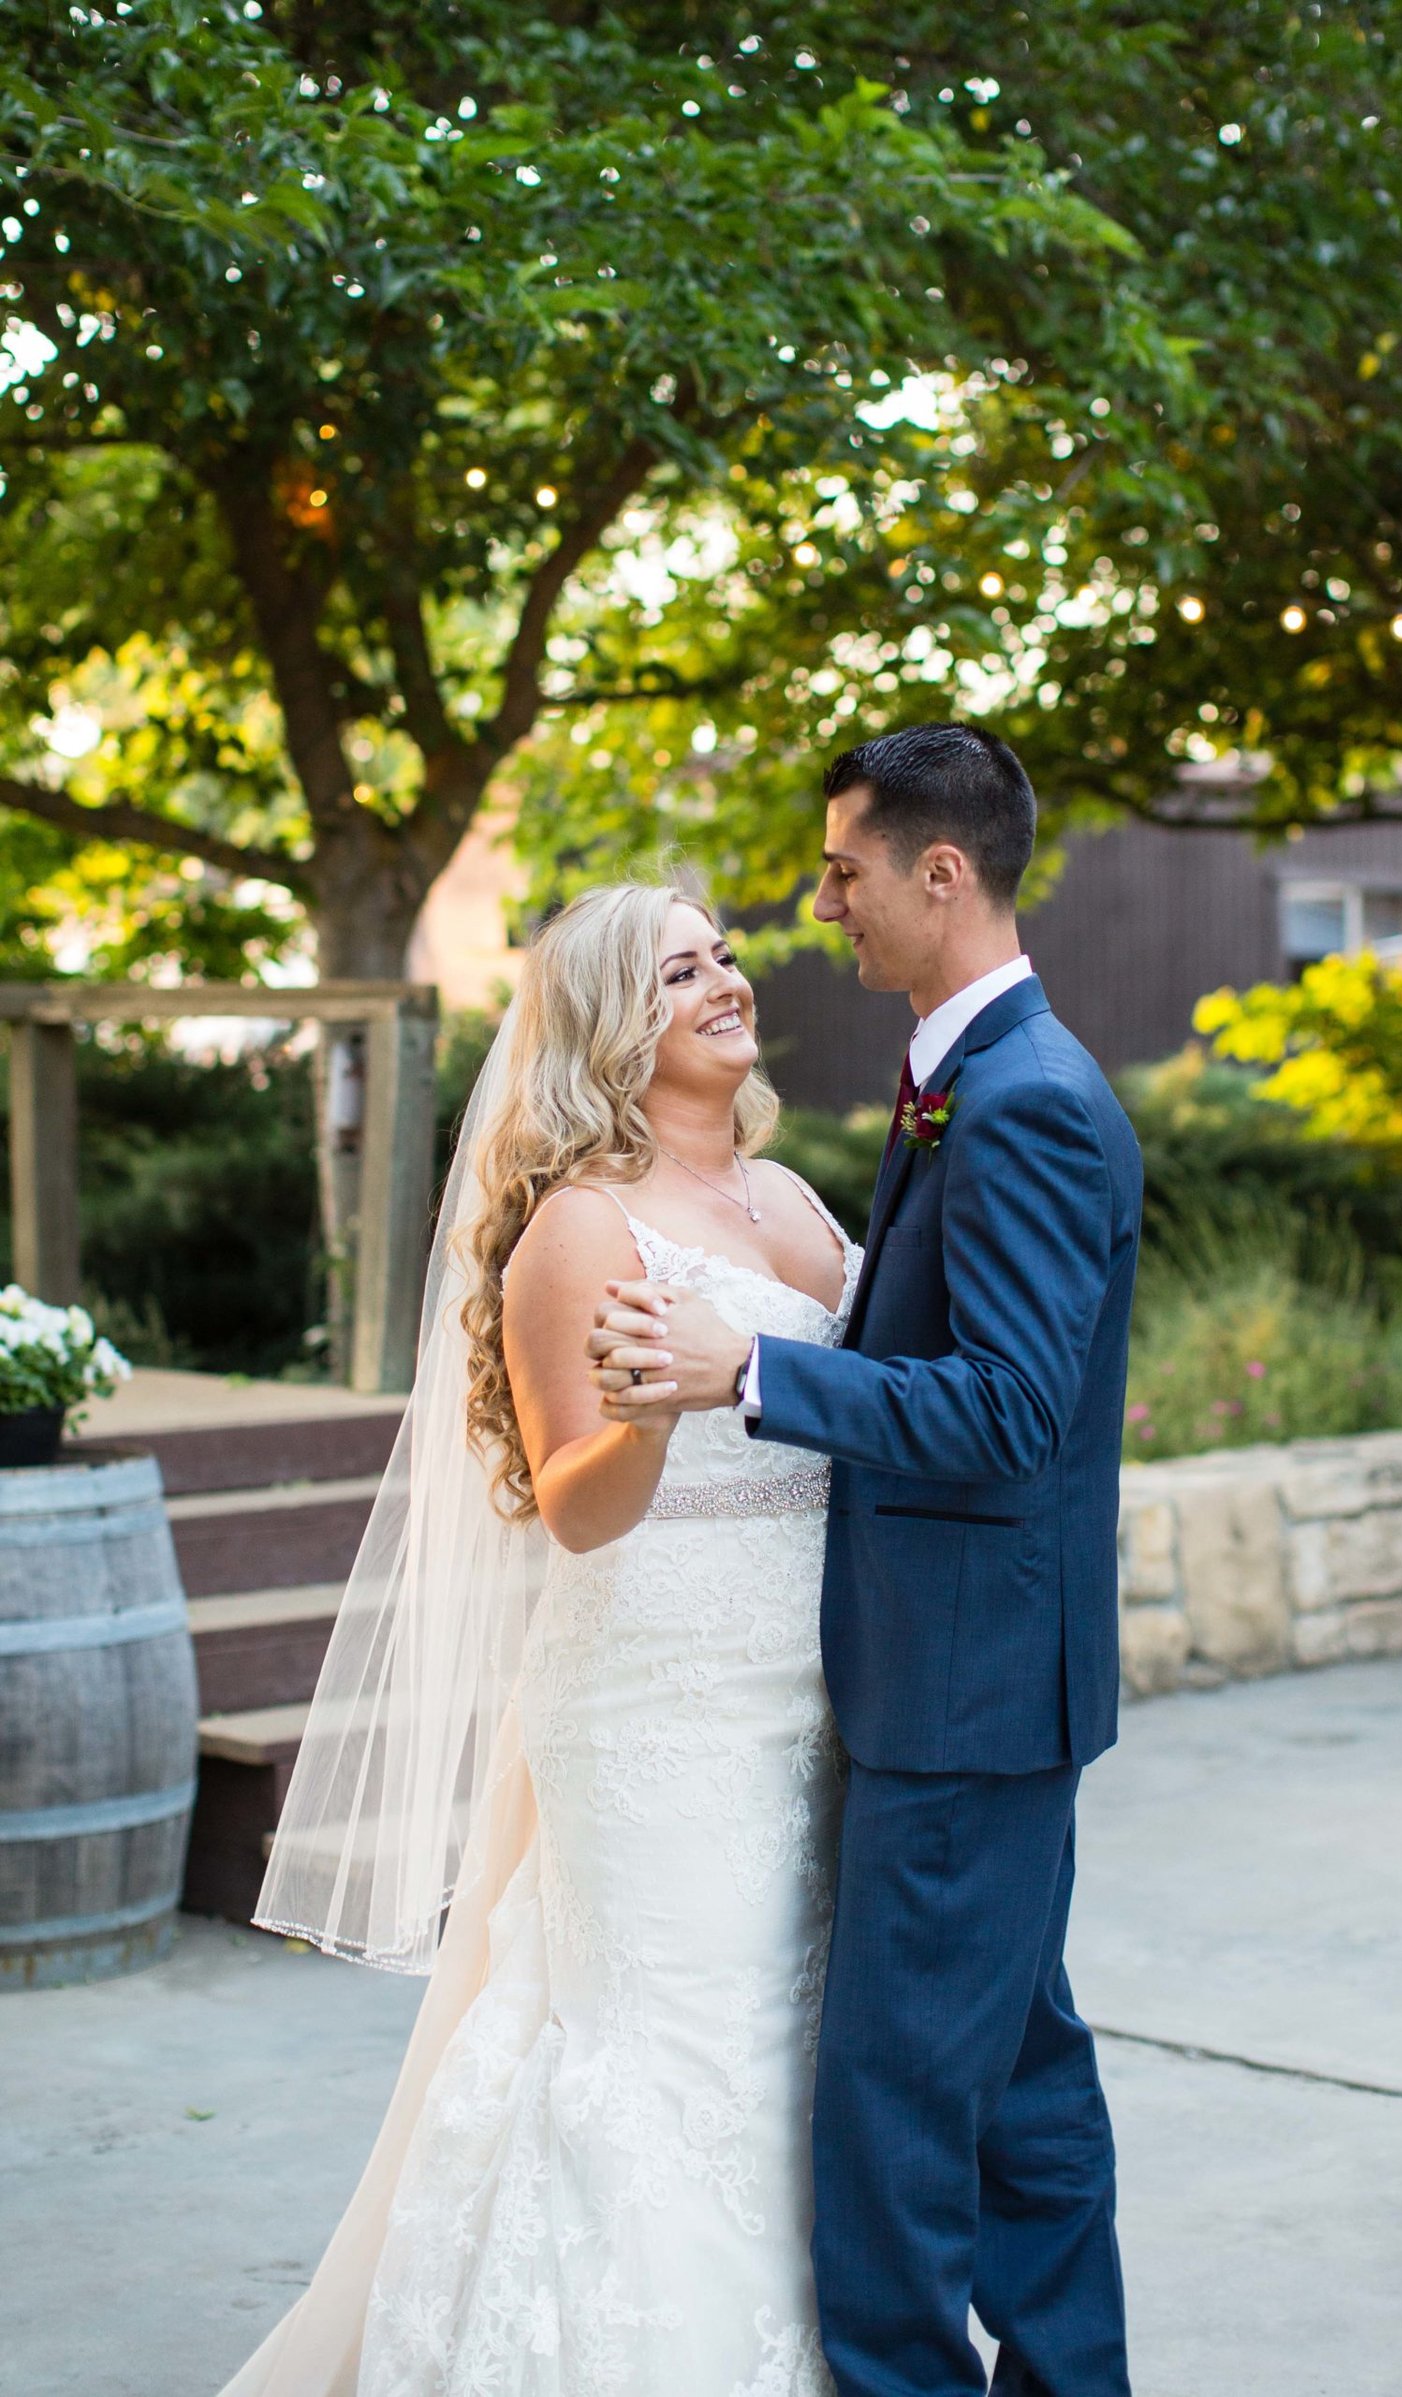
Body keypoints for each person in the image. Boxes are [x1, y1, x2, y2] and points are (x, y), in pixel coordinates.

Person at [218, 878, 861, 2396]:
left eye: (723, 954)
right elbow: (574, 1504)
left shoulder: (790, 1202)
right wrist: (651, 1413)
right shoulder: (577, 1231)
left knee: (793, 2046)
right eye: (674, 972)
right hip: (651, 1707)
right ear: (601, 1031)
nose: (724, 980)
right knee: (668, 2055)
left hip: (811, 1693)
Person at [590, 722, 1142, 2397]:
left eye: (843, 869)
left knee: (898, 2123)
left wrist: (746, 1369)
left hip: (965, 1696)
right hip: (972, 1685)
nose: (820, 901)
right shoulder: (970, 1072)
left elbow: (1013, 1408)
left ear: (940, 871)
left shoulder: (1027, 1098)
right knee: (1024, 2095)